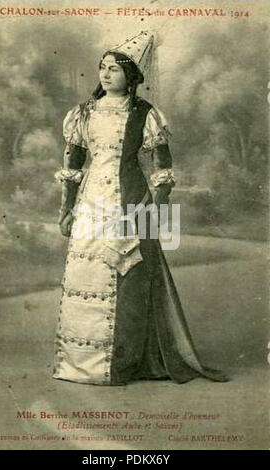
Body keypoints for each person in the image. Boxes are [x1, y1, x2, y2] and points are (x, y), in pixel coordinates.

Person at [53, 31, 228, 385]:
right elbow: (73, 165)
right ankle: (80, 363)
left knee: (128, 273)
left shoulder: (145, 114)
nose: (105, 75)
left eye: (115, 70)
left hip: (130, 200)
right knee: (87, 274)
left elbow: (162, 169)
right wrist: (66, 208)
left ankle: (123, 363)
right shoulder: (83, 113)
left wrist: (158, 209)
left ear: (131, 77)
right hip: (91, 205)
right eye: (102, 68)